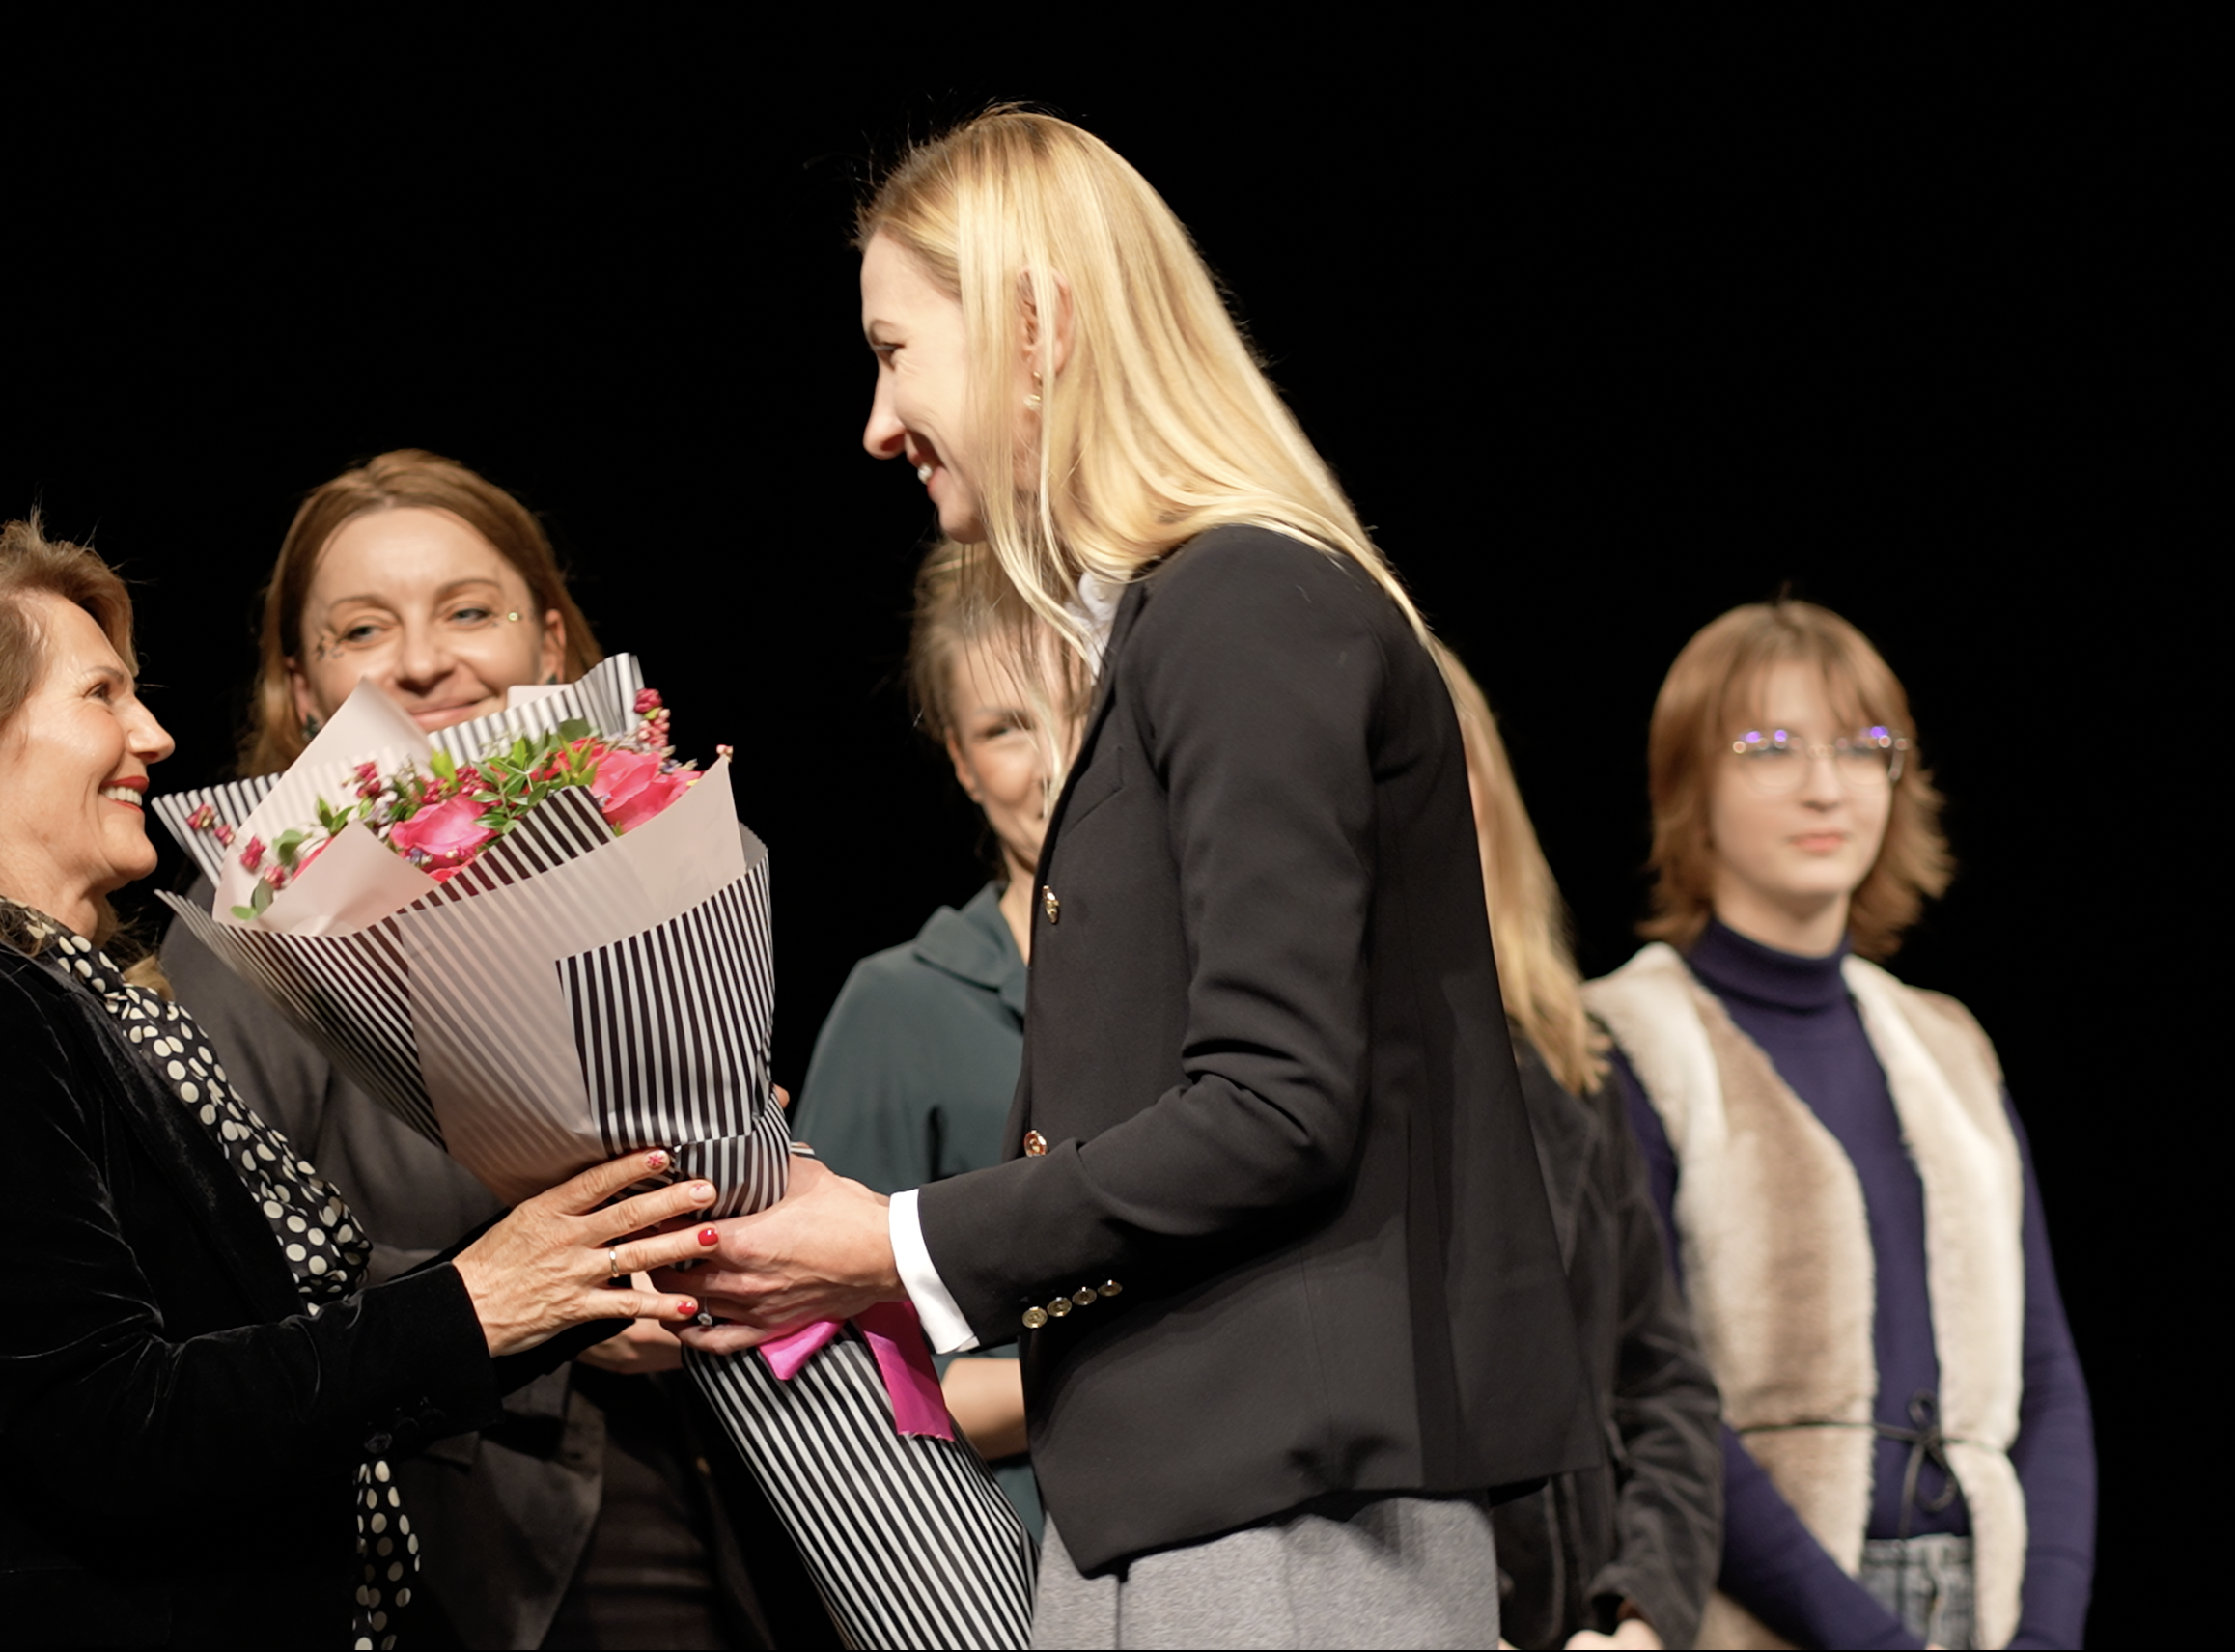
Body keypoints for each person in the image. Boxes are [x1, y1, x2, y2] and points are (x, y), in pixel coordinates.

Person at [680, 110, 1596, 1648]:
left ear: (1035, 327)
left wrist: (893, 1239)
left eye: (896, 352)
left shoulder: (1243, 602)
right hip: (1189, 1506)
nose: (879, 422)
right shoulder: (1190, 622)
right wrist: (887, 1264)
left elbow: (1275, 1106)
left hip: (1281, 1527)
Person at [0, 519, 719, 1647]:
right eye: (101, 695)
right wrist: (477, 1304)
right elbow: (111, 1423)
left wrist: (584, 1264)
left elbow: (283, 1336)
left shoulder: (87, 1004)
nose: (153, 734)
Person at [158, 449, 830, 1649]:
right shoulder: (249, 927)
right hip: (459, 1520)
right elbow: (234, 1275)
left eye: (469, 611)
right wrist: (553, 1302)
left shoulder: (644, 858)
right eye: (362, 629)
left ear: (553, 642)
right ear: (302, 687)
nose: (423, 660)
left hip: (735, 1458)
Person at [1580, 601, 2095, 1649]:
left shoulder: (1947, 1044)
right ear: (1688, 784)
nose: (1827, 785)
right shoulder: (1621, 1041)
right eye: (1771, 745)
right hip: (1759, 1611)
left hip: (1983, 1604)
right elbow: (1652, 1394)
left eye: (1863, 746)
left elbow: (2045, 1377)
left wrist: (2043, 1633)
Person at [1433, 644, 1722, 1651]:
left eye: (1444, 762)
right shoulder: (1281, 1084)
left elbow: (1665, 1385)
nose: (1418, 799)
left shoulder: (1568, 1060)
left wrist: (1639, 1616)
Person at [796, 541, 1054, 1540]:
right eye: (1006, 727)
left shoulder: (1228, 972)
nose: (1056, 764)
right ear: (959, 759)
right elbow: (836, 1379)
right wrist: (1134, 1377)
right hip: (1022, 1562)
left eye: (1084, 709)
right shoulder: (901, 1005)